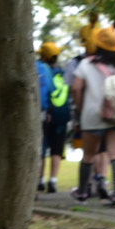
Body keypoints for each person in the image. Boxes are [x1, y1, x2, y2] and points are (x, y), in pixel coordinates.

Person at [67, 27, 115, 208]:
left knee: (89, 155)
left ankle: (82, 193)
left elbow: (75, 88)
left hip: (92, 115)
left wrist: (81, 110)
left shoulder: (86, 64)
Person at [37, 41, 70, 194]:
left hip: (42, 114)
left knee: (41, 148)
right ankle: (53, 180)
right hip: (59, 115)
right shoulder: (62, 73)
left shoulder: (38, 68)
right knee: (57, 149)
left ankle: (40, 179)